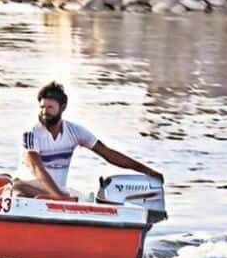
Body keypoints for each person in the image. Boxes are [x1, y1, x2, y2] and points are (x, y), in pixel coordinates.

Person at [10, 82, 161, 202]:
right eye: (42, 107)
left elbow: (108, 154)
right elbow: (37, 168)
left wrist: (147, 171)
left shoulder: (75, 131)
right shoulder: (31, 133)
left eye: (50, 107)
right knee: (19, 194)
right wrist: (60, 198)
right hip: (26, 189)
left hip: (56, 193)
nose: (45, 111)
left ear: (63, 107)